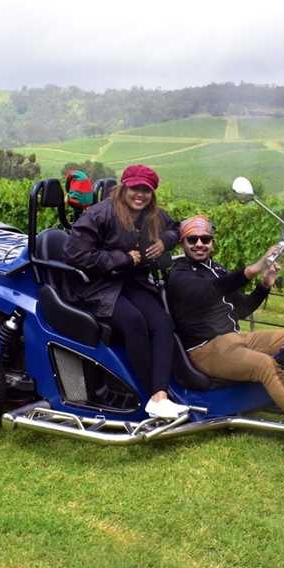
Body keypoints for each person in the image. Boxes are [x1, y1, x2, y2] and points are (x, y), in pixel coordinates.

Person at [166, 215, 284, 453]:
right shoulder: (179, 275)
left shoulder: (215, 269)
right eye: (192, 239)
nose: (199, 244)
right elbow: (208, 293)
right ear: (182, 244)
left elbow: (241, 309)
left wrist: (264, 284)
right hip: (206, 350)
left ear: (212, 242)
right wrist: (252, 269)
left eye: (205, 239)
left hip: (235, 338)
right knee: (265, 366)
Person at [63, 164, 186, 420]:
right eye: (135, 188)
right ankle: (149, 393)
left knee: (163, 323)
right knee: (133, 322)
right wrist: (120, 258)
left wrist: (165, 241)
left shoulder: (153, 215)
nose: (140, 195)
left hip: (132, 283)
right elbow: (75, 253)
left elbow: (177, 227)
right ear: (123, 188)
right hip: (99, 286)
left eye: (147, 190)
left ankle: (160, 395)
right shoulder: (100, 214)